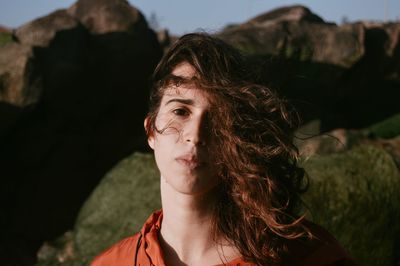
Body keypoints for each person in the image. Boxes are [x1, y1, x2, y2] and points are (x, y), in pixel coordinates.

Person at [91, 33, 355, 266]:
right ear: (151, 130)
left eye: (218, 118)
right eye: (180, 111)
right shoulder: (112, 263)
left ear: (239, 136)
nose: (195, 135)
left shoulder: (307, 257)